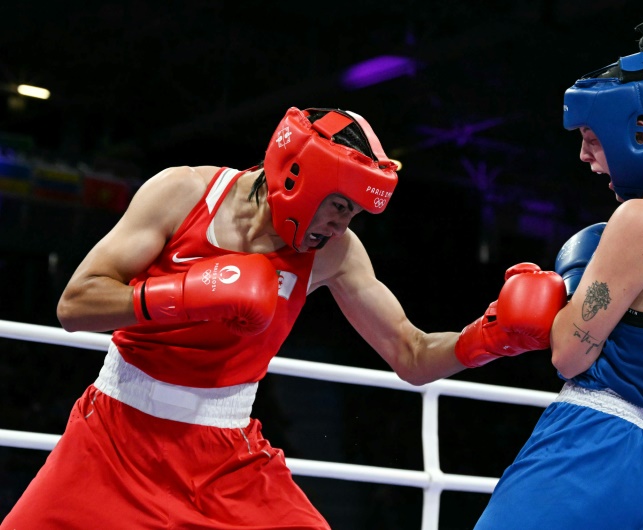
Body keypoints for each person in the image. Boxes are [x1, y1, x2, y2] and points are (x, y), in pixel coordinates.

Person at [1, 106, 566, 529]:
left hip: (223, 461)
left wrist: (486, 340)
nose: (343, 225)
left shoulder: (334, 254)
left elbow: (411, 355)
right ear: (300, 177)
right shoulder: (182, 193)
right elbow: (75, 305)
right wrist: (188, 291)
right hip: (112, 438)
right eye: (340, 204)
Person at [473, 13, 643, 530]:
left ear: (639, 127)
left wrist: (562, 299)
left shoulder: (641, 219)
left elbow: (569, 354)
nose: (584, 155)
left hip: (591, 444)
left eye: (592, 137)